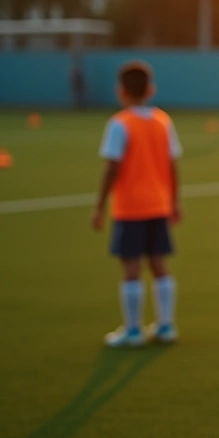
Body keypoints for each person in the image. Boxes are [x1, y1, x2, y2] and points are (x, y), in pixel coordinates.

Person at [91, 61, 183, 348]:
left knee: (131, 266)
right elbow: (172, 165)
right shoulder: (163, 121)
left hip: (130, 206)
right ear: (150, 90)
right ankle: (166, 326)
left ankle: (133, 331)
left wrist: (99, 205)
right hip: (159, 203)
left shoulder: (120, 124)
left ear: (121, 91)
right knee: (159, 262)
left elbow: (112, 167)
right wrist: (174, 201)